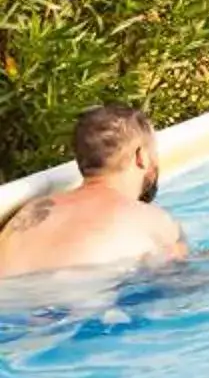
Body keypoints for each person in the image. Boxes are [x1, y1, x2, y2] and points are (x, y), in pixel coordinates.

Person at [0, 106, 186, 279]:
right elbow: (181, 282)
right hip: (71, 305)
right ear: (141, 157)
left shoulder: (31, 211)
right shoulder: (153, 220)